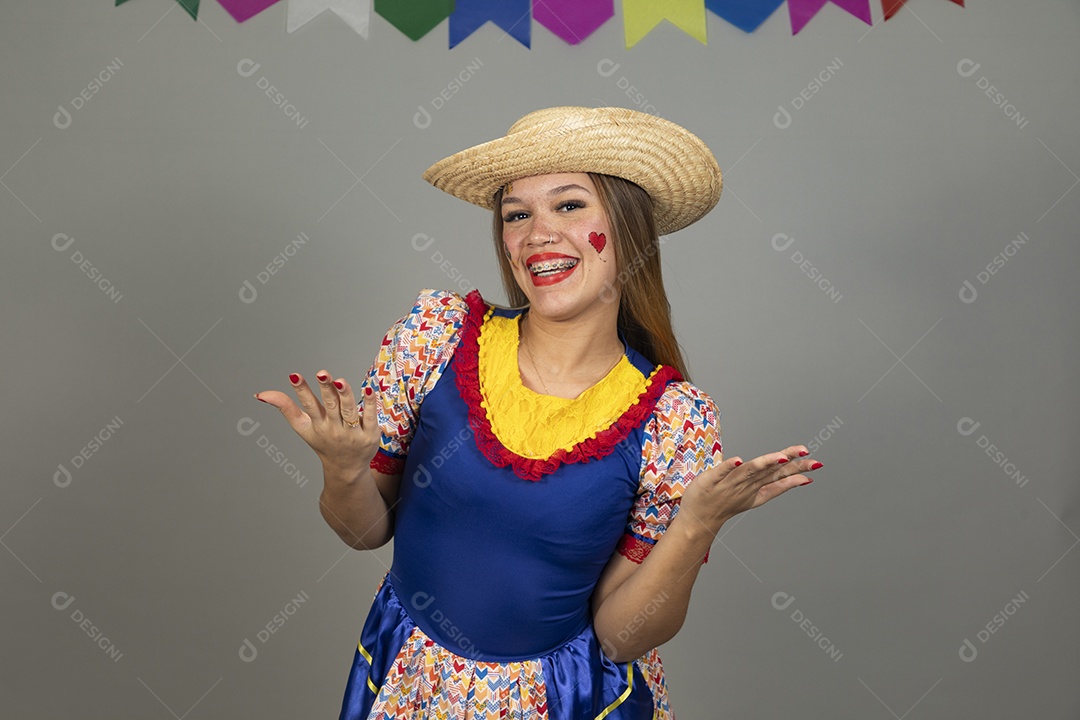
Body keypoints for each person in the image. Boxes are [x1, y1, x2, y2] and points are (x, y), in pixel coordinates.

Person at [255, 106, 822, 719]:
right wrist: (343, 468)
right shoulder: (438, 339)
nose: (538, 233)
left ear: (629, 231)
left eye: (569, 205)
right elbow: (364, 533)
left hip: (567, 701)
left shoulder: (672, 421)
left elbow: (620, 637)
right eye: (516, 215)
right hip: (412, 684)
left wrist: (697, 524)